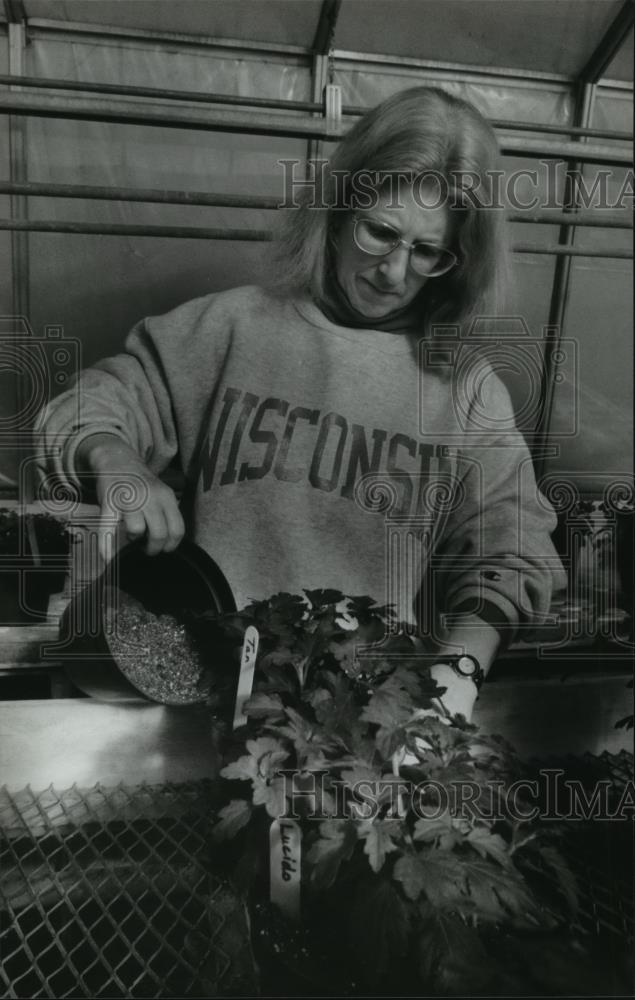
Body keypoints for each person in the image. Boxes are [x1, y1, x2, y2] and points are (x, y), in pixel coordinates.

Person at [35, 86, 565, 722]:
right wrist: (115, 459)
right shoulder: (231, 328)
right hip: (200, 708)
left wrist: (460, 674)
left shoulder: (468, 392)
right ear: (338, 212)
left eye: (426, 251)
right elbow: (94, 401)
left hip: (359, 721)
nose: (394, 272)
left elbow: (513, 551)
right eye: (380, 233)